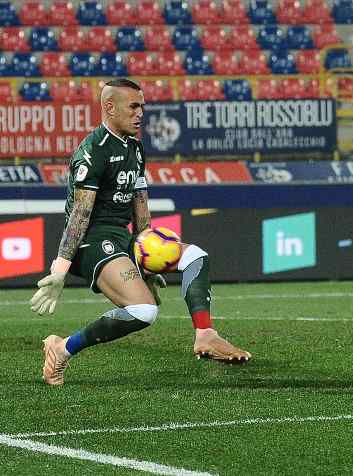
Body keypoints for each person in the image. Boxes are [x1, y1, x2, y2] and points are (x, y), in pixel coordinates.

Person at [31, 78, 250, 386]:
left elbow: (140, 202)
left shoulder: (134, 147)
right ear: (110, 107)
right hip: (93, 242)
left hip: (124, 238)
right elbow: (80, 215)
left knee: (195, 256)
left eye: (142, 107)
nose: (140, 114)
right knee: (144, 311)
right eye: (133, 106)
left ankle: (205, 334)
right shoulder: (93, 151)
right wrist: (60, 268)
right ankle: (62, 347)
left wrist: (146, 250)